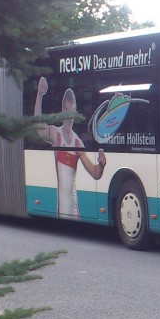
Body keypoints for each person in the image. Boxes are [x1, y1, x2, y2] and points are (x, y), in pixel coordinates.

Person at [35, 77, 106, 218]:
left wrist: (101, 165)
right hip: (61, 211)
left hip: (74, 212)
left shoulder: (78, 143)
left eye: (72, 110)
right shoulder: (56, 135)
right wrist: (39, 95)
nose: (69, 115)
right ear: (62, 110)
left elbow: (95, 174)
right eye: (66, 110)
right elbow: (38, 127)